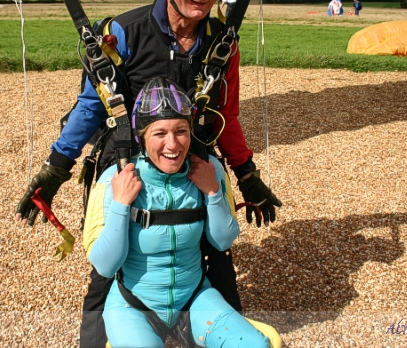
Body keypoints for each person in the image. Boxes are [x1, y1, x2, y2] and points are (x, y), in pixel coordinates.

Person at [15, 0, 282, 348]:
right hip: (126, 166)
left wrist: (245, 172)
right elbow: (91, 105)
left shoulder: (220, 43)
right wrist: (56, 168)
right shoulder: (125, 32)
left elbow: (226, 113)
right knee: (106, 276)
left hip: (193, 167)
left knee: (219, 263)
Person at [83, 77, 272, 348]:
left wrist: (212, 193)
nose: (172, 145)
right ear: (142, 137)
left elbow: (223, 241)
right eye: (159, 133)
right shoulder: (114, 180)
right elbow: (105, 265)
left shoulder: (210, 170)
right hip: (133, 307)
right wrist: (122, 204)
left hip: (195, 299)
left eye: (181, 131)